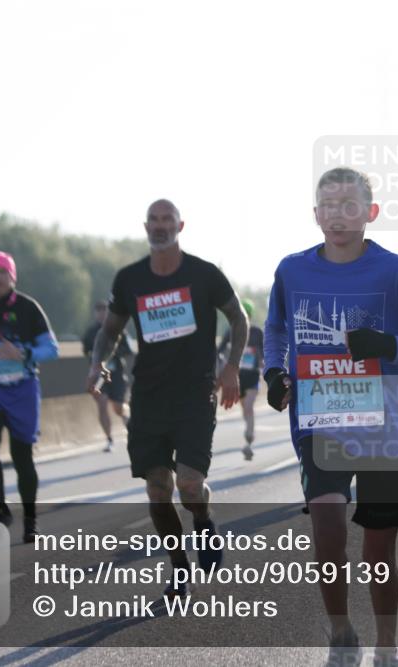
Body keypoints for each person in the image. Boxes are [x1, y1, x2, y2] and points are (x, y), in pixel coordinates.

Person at [263, 167, 398, 666]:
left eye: (350, 205)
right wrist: (273, 372)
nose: (337, 215)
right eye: (328, 205)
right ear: (315, 215)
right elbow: (277, 329)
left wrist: (388, 345)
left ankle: (387, 645)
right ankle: (340, 629)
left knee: (377, 551)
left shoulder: (393, 270)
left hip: (382, 426)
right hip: (319, 420)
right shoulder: (292, 270)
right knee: (326, 524)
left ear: (371, 213)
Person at [88, 198, 247, 602]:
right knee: (158, 490)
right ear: (146, 227)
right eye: (154, 221)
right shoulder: (130, 279)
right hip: (149, 398)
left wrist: (230, 368)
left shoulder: (204, 274)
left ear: (180, 225)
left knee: (190, 484)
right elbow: (110, 331)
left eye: (167, 220)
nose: (160, 227)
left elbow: (239, 318)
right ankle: (179, 569)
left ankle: (204, 519)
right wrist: (97, 363)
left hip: (194, 394)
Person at [0, 250, 59, 543]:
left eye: (3, 273)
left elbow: (52, 349)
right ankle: (0, 509)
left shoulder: (28, 308)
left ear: (12, 277)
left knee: (23, 458)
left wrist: (24, 353)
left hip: (22, 389)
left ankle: (31, 520)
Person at [82, 300, 131, 452]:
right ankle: (109, 439)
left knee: (118, 407)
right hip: (100, 375)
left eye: (104, 310)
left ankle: (132, 430)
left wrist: (112, 353)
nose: (101, 314)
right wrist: (96, 361)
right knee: (102, 404)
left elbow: (128, 350)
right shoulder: (90, 333)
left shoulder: (120, 330)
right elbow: (86, 351)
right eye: (98, 311)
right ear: (95, 314)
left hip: (115, 373)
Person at [219, 298, 263, 460]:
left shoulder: (257, 332)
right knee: (245, 409)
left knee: (249, 407)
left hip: (252, 376)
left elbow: (265, 351)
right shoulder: (230, 332)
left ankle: (249, 438)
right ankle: (249, 434)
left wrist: (263, 362)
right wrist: (223, 363)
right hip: (236, 379)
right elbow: (219, 350)